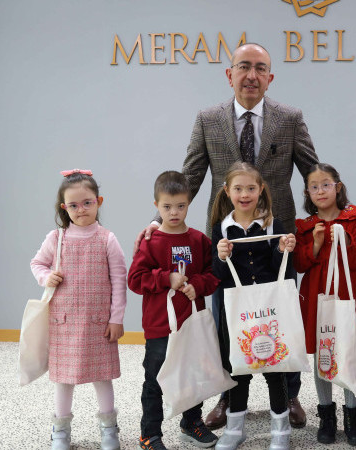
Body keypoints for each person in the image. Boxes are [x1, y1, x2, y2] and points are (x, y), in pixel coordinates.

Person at [135, 42, 317, 429]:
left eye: (260, 68)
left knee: (281, 316)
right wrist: (158, 221)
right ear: (229, 74)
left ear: (270, 77)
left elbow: (312, 171)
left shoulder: (290, 118)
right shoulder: (208, 119)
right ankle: (228, 394)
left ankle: (289, 394)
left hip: (276, 242)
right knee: (227, 320)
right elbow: (190, 176)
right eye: (244, 66)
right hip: (227, 242)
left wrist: (334, 217)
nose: (251, 75)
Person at [30, 169, 127, 450]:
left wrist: (116, 318)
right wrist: (46, 277)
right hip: (64, 323)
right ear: (64, 207)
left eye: (87, 203)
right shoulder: (56, 238)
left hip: (98, 323)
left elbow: (119, 280)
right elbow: (37, 264)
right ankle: (60, 431)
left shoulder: (107, 239)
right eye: (73, 205)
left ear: (99, 202)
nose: (81, 209)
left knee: (102, 376)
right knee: (63, 379)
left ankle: (109, 429)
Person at [128, 171, 221, 450]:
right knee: (155, 380)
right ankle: (150, 434)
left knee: (193, 375)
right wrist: (165, 278)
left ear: (189, 203)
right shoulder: (150, 242)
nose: (174, 212)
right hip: (160, 327)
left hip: (191, 323)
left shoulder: (199, 240)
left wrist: (198, 285)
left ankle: (191, 423)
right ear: (156, 205)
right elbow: (135, 279)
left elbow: (213, 275)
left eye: (180, 206)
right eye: (167, 206)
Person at [210, 162, 297, 450]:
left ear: (261, 189)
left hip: (269, 310)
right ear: (227, 191)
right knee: (238, 369)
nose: (244, 194)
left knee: (275, 367)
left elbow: (282, 270)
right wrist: (221, 256)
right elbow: (217, 276)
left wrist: (282, 250)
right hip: (237, 313)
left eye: (250, 188)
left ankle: (281, 430)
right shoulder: (221, 229)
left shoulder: (273, 225)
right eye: (238, 188)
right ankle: (235, 429)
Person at [293, 163, 356, 446]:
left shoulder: (354, 219)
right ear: (307, 193)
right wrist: (315, 243)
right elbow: (299, 264)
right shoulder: (304, 226)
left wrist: (343, 238)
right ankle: (326, 414)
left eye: (326, 184)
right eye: (314, 187)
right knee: (322, 352)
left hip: (348, 293)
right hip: (317, 295)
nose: (321, 191)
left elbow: (355, 260)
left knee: (348, 350)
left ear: (337, 187)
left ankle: (352, 414)